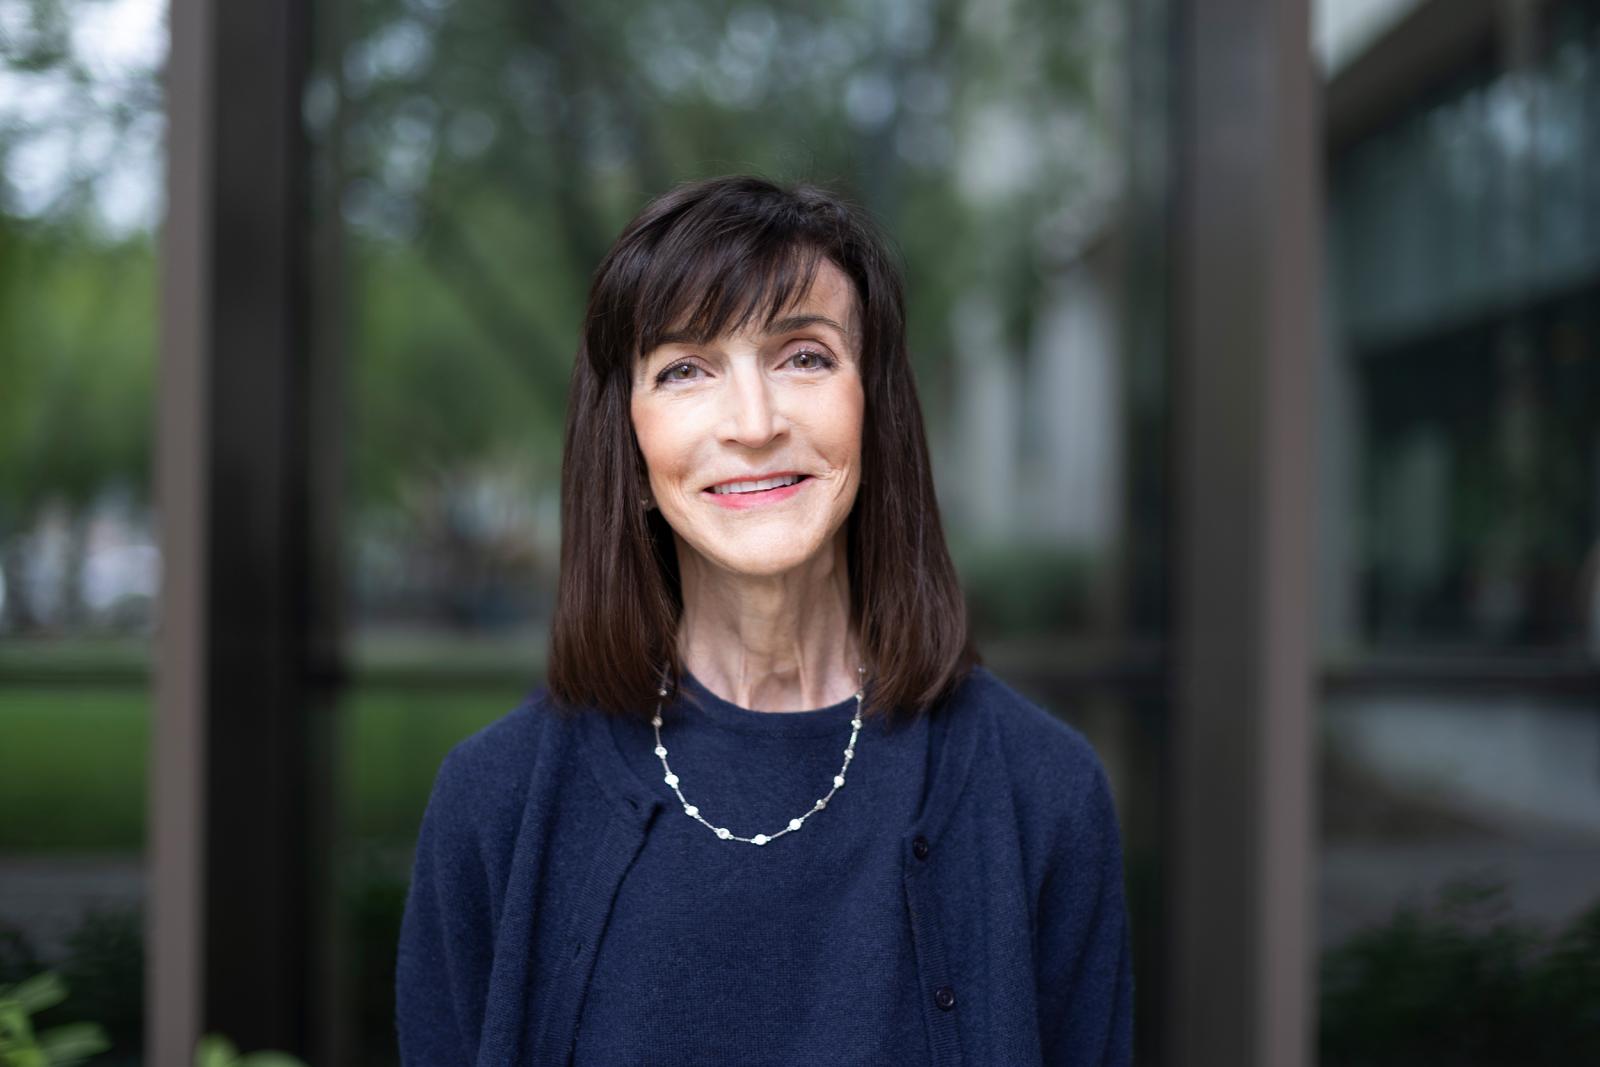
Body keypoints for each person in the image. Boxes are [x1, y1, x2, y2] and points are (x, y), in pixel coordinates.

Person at [396, 175, 1133, 1066]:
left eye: (804, 356)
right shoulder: (494, 805)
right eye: (685, 370)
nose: (752, 423)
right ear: (628, 446)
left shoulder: (1043, 793)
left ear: (875, 411)